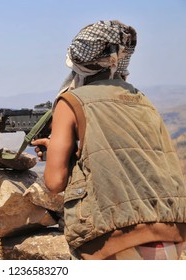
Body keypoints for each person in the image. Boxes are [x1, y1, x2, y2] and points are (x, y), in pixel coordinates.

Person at [32, 20, 186, 260]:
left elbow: (54, 182)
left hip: (116, 240)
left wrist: (55, 151)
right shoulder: (141, 99)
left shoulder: (71, 102)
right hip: (171, 232)